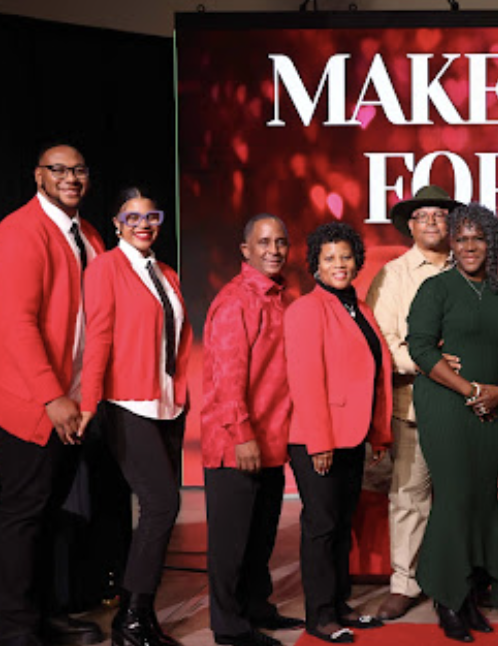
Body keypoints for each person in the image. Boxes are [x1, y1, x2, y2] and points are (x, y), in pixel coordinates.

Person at [0, 143, 107, 646]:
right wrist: (52, 397)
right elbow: (16, 325)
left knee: (50, 513)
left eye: (79, 170)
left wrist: (86, 397)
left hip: (73, 401)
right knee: (23, 516)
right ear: (38, 176)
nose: (70, 177)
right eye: (58, 169)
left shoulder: (89, 234)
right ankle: (17, 631)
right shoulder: (18, 233)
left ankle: (45, 616)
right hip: (28, 399)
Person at [79, 187, 192, 646]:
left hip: (168, 404)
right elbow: (99, 337)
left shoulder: (166, 273)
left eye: (151, 216)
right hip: (127, 402)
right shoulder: (105, 268)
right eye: (133, 217)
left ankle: (137, 615)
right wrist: (89, 402)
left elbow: (179, 340)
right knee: (162, 504)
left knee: (158, 508)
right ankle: (131, 620)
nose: (144, 224)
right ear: (117, 224)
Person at [407, 203, 498, 642]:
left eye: (478, 238)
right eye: (461, 238)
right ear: (451, 244)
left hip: (491, 410)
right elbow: (420, 348)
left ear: (493, 243)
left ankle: (471, 592)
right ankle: (448, 598)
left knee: (481, 497)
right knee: (454, 498)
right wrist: (470, 390)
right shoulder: (436, 289)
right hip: (446, 405)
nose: (469, 246)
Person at [285, 222, 393, 644]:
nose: (339, 264)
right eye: (329, 258)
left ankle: (340, 604)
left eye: (346, 256)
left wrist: (378, 432)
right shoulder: (306, 310)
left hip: (352, 435)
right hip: (318, 438)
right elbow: (306, 379)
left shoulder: (358, 308)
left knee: (341, 523)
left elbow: (374, 374)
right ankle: (320, 614)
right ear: (315, 264)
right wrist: (320, 442)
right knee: (322, 526)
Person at [202, 214, 304, 646]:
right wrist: (242, 435)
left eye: (280, 242)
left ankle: (256, 607)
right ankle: (228, 626)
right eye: (263, 242)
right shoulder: (235, 301)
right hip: (236, 443)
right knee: (231, 543)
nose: (273, 250)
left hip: (271, 442)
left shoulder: (280, 298)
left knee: (260, 538)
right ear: (245, 250)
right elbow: (227, 378)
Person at [366, 185, 460, 621]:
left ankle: (461, 581)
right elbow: (382, 343)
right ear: (410, 226)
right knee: (409, 497)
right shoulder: (393, 275)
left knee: (462, 497)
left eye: (440, 215)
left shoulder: (471, 265)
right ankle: (405, 583)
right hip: (414, 406)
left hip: (466, 407)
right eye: (423, 216)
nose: (432, 222)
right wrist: (431, 365)